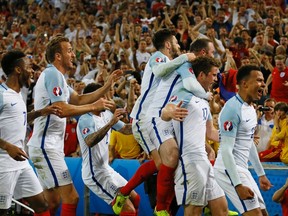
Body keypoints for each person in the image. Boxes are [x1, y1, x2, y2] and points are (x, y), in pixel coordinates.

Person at [27, 34, 122, 216]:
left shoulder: (58, 77)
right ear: (58, 56)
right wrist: (95, 106)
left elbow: (78, 99)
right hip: (45, 146)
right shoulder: (53, 73)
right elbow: (60, 109)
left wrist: (106, 86)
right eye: (69, 51)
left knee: (51, 203)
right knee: (72, 198)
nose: (73, 54)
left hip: (47, 145)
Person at [112, 29, 197, 216]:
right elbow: (160, 71)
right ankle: (158, 208)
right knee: (164, 163)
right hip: (145, 117)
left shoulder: (172, 63)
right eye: (175, 42)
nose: (178, 45)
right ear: (168, 45)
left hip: (157, 118)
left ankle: (127, 195)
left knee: (167, 163)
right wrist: (184, 57)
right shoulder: (158, 57)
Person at [161, 56, 228, 216]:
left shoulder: (204, 100)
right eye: (213, 75)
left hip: (204, 162)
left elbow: (211, 133)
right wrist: (171, 112)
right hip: (190, 162)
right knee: (193, 212)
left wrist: (236, 138)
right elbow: (165, 111)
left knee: (222, 210)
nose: (215, 78)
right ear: (201, 75)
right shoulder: (183, 93)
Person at [0, 50, 61, 216]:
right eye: (29, 66)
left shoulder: (18, 94)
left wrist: (42, 112)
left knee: (41, 205)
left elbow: (20, 117)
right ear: (18, 69)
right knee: (2, 211)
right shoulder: (2, 94)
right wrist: (7, 146)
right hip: (3, 163)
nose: (32, 70)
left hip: (21, 161)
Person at [214, 65, 272, 215]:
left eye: (263, 81)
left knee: (264, 214)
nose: (263, 84)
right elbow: (226, 149)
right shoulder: (232, 109)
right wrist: (238, 185)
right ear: (245, 84)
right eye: (259, 80)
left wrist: (261, 174)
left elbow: (249, 143)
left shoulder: (251, 109)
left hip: (242, 169)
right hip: (228, 168)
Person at [76, 83, 139, 216]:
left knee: (135, 198)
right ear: (93, 98)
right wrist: (110, 124)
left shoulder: (105, 114)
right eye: (103, 97)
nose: (107, 100)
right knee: (128, 209)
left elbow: (126, 130)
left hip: (106, 168)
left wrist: (143, 124)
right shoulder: (85, 119)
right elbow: (90, 141)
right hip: (94, 173)